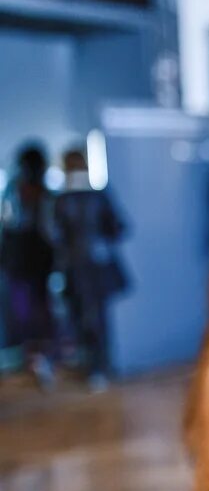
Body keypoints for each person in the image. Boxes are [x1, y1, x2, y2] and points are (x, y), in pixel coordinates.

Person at [53, 148, 128, 391]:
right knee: (94, 316)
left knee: (90, 316)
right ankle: (99, 366)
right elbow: (118, 228)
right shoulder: (95, 196)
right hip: (92, 265)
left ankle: (98, 367)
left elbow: (56, 236)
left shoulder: (64, 200)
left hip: (81, 267)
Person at [0, 143, 56, 389]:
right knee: (31, 310)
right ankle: (36, 357)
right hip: (27, 261)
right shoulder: (22, 191)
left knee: (30, 310)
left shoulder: (24, 191)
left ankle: (37, 357)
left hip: (28, 262)